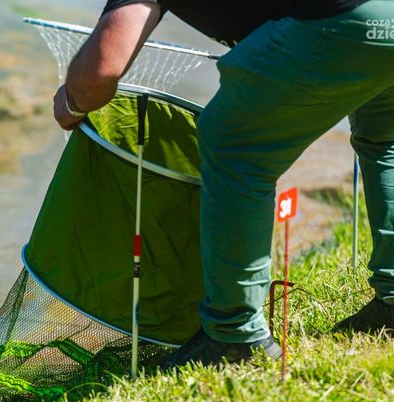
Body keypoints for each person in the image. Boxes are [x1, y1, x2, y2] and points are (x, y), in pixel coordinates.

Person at [53, 0, 394, 368]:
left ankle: (235, 337)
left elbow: (101, 71)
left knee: (234, 149)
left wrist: (71, 103)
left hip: (338, 19)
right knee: (385, 142)